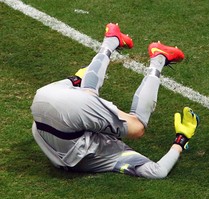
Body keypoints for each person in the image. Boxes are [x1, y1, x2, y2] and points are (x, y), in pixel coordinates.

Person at [31, 23, 199, 179]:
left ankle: (158, 59)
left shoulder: (106, 158)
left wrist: (181, 139)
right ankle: (112, 41)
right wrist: (75, 79)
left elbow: (157, 171)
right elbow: (158, 172)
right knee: (91, 95)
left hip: (64, 114)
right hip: (42, 100)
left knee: (131, 123)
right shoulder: (100, 152)